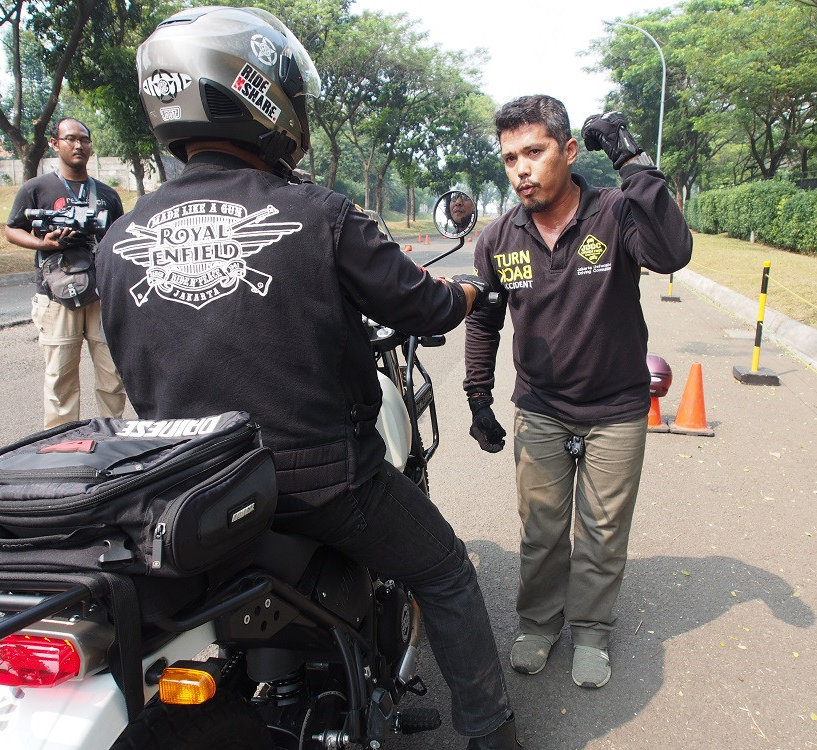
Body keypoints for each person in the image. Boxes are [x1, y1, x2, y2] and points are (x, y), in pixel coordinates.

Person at [97, 8, 520, 749]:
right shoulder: (318, 214)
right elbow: (421, 305)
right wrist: (463, 295)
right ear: (260, 94)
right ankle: (493, 736)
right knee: (448, 571)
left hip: (194, 495)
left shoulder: (119, 239)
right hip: (323, 487)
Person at [462, 95, 692, 689]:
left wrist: (632, 160)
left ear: (567, 151)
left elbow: (673, 252)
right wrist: (478, 396)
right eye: (510, 157)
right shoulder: (499, 238)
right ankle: (538, 623)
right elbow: (485, 320)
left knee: (602, 529)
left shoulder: (615, 213)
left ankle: (591, 629)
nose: (521, 169)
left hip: (616, 407)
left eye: (534, 152)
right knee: (540, 528)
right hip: (540, 408)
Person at [5, 117, 127, 428]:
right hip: (56, 295)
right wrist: (42, 243)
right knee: (61, 378)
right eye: (70, 139)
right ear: (54, 143)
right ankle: (60, 441)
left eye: (84, 140)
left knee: (112, 375)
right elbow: (11, 230)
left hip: (100, 295)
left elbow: (118, 240)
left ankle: (112, 437)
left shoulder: (107, 195)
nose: (78, 145)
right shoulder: (36, 189)